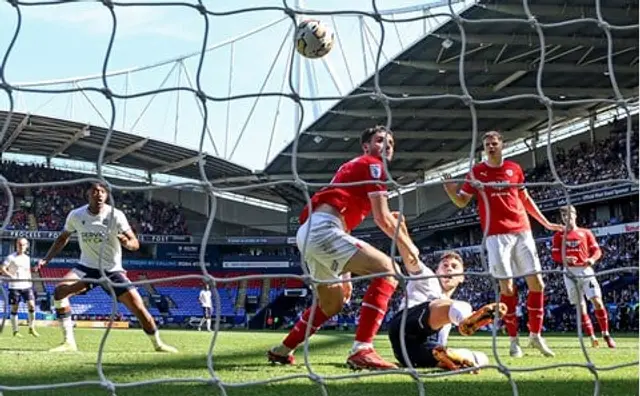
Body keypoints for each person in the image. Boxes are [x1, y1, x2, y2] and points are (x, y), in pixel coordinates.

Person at [267, 125, 420, 370]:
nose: (387, 145)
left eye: (390, 142)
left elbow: (345, 223)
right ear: (366, 146)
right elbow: (383, 219)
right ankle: (362, 349)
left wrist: (346, 274)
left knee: (332, 305)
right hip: (323, 229)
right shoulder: (373, 165)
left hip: (312, 232)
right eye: (380, 140)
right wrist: (409, 246)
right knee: (389, 271)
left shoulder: (354, 168)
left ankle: (282, 350)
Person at [443, 130, 562, 358]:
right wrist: (451, 192)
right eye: (487, 144)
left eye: (494, 143)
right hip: (496, 236)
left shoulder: (514, 169)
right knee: (507, 289)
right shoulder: (476, 172)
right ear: (483, 148)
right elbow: (461, 202)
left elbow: (525, 199)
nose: (490, 147)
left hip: (522, 231)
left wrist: (545, 223)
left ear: (501, 145)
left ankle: (535, 336)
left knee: (538, 283)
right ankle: (513, 340)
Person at [37, 182, 177, 353]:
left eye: (103, 192)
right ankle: (69, 342)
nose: (100, 195)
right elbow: (62, 238)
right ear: (88, 194)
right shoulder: (76, 215)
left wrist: (127, 243)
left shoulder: (116, 215)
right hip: (86, 267)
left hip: (112, 270)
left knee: (138, 307)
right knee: (60, 291)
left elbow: (135, 243)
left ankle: (158, 344)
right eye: (96, 191)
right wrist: (46, 259)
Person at [551, 205, 616, 348]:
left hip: (586, 270)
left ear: (575, 215)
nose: (566, 218)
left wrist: (592, 259)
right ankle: (592, 337)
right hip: (569, 273)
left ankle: (606, 334)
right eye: (563, 216)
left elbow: (597, 251)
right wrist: (564, 258)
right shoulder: (558, 236)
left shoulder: (585, 233)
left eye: (569, 215)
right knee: (580, 306)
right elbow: (555, 254)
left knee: (597, 301)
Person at [0, 238, 39, 337]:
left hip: (27, 286)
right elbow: (2, 268)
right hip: (14, 286)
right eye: (19, 245)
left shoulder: (27, 258)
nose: (21, 247)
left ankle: (31, 327)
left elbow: (28, 271)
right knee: (15, 308)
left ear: (27, 246)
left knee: (32, 305)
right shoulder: (11, 257)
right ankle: (15, 330)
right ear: (16, 245)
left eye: (23, 245)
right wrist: (10, 275)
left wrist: (31, 279)